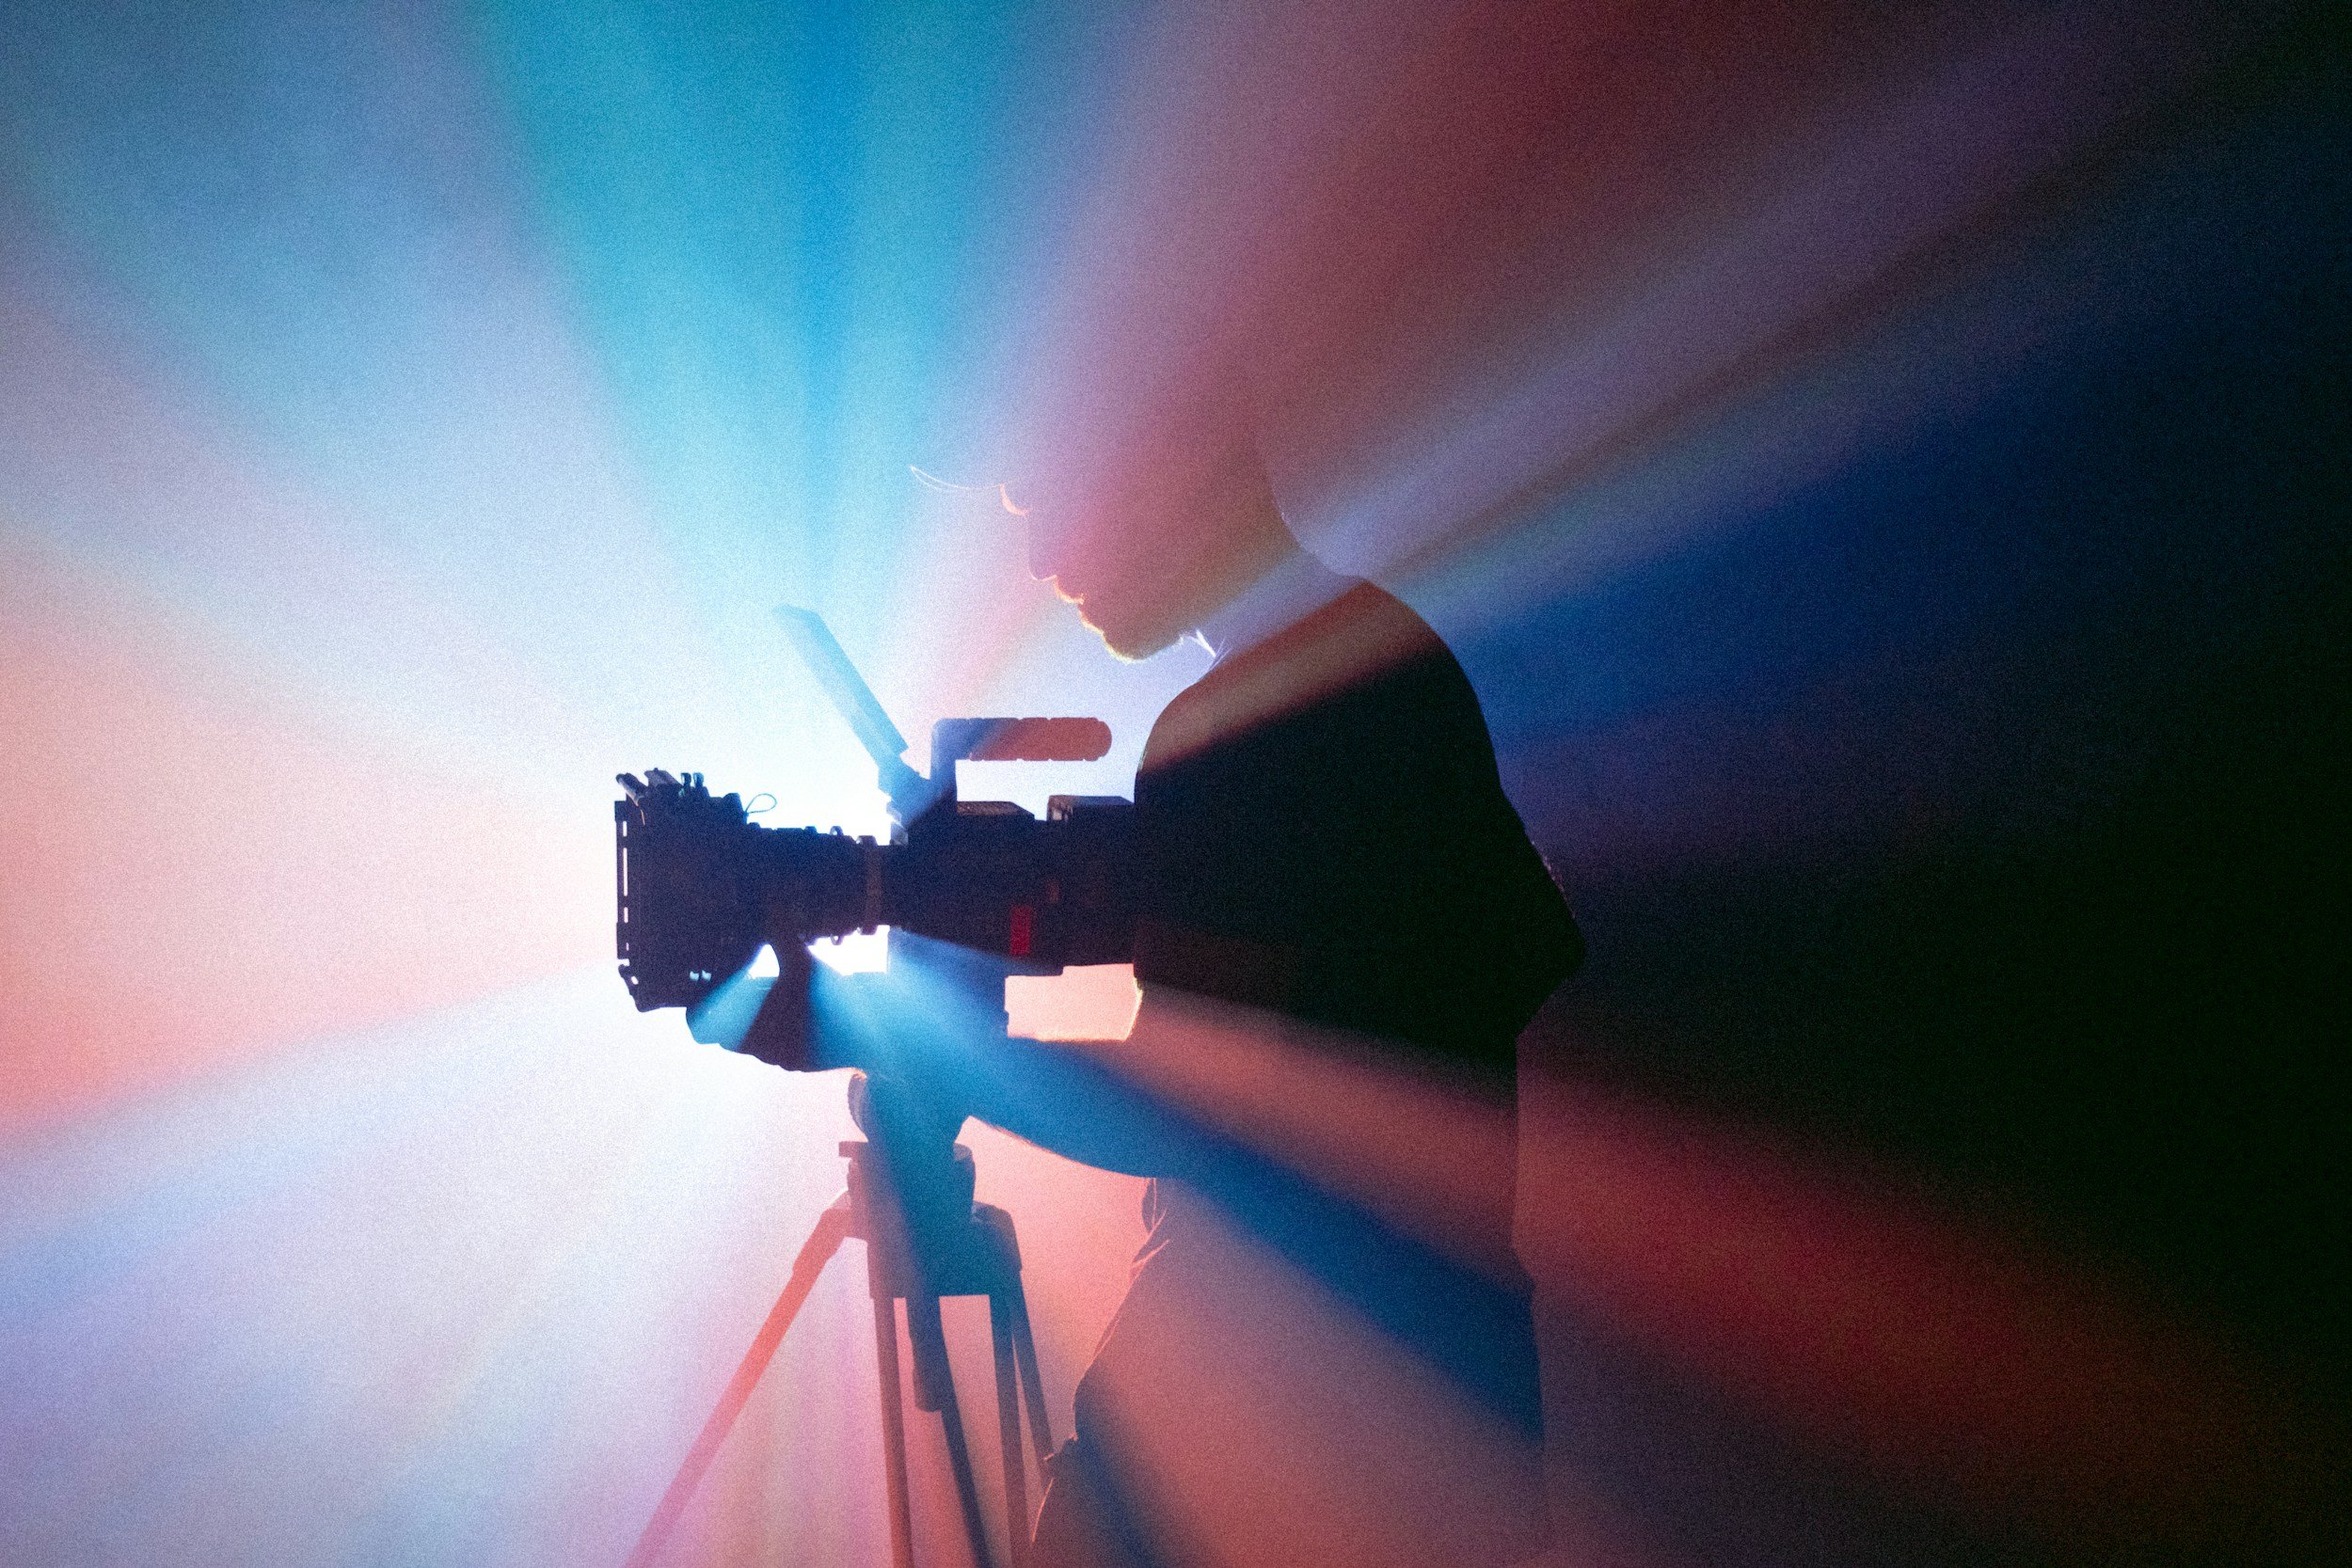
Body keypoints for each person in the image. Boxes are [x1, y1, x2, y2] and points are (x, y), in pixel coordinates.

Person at [751, 411, 1580, 1566]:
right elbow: (1526, 951)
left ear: (1169, 462)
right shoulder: (1388, 653)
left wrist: (907, 1045)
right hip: (1448, 1404)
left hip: (1275, 1428)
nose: (1042, 562)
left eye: (1047, 509)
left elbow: (1193, 1111)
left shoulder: (1238, 727)